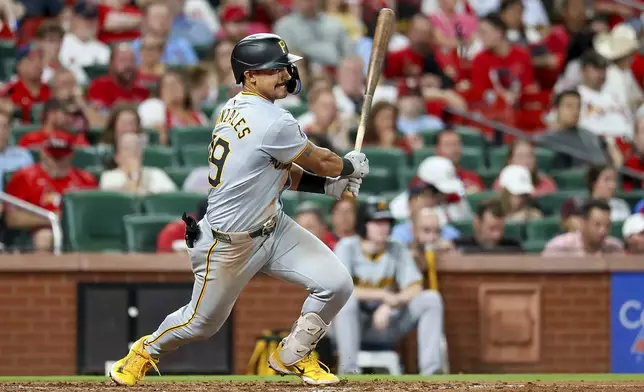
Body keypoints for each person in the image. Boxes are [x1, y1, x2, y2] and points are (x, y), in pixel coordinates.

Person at [109, 33, 369, 387]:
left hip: (272, 228)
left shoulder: (236, 107)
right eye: (275, 68)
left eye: (284, 66)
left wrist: (328, 187)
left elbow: (276, 172)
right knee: (201, 324)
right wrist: (349, 168)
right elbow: (323, 161)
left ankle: (294, 353)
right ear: (250, 76)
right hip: (227, 243)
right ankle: (143, 351)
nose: (285, 73)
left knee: (336, 284)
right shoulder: (273, 121)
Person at [332, 199, 445, 375]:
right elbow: (341, 290)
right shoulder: (346, 247)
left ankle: (431, 372)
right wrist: (382, 296)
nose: (382, 227)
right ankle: (348, 372)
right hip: (353, 324)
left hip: (385, 324)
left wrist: (390, 304)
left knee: (431, 299)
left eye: (386, 222)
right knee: (347, 303)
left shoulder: (396, 248)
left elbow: (415, 287)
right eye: (376, 222)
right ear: (363, 224)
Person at [542, 199, 624, 256]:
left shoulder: (615, 248)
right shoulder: (559, 247)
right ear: (583, 222)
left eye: (607, 225)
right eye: (597, 225)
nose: (603, 231)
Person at [453, 197, 524, 253]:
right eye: (492, 229)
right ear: (477, 224)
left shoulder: (513, 247)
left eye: (501, 229)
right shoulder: (458, 246)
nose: (497, 235)